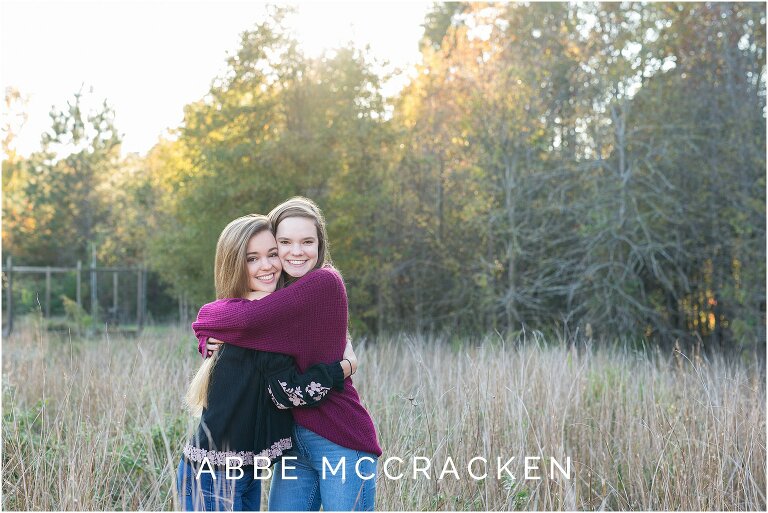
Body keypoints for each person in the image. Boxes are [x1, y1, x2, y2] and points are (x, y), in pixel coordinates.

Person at [195, 197, 381, 511]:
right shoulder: (279, 295)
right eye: (285, 242)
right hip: (293, 443)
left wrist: (346, 366)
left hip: (339, 439)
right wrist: (207, 340)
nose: (296, 251)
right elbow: (233, 330)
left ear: (320, 244)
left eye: (307, 241)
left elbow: (238, 319)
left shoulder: (324, 281)